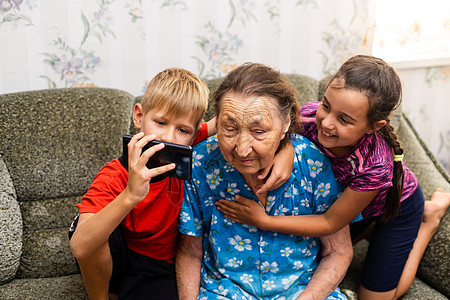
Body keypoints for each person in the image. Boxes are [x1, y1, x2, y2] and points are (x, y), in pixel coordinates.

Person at [216, 55, 450, 300]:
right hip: (347, 208)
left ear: (374, 126)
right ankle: (369, 229)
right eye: (326, 106)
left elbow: (329, 222)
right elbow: (282, 129)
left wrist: (263, 221)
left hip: (396, 208)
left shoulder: (375, 166)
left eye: (344, 120)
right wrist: (287, 148)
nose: (326, 123)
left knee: (373, 299)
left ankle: (428, 222)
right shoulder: (309, 118)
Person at [176, 62, 353, 299]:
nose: (242, 149)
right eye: (229, 128)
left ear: (286, 125)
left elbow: (338, 252)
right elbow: (190, 253)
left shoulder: (314, 164)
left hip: (301, 291)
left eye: (259, 132)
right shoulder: (199, 163)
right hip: (225, 292)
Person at [69, 68, 212, 300]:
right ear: (138, 117)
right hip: (116, 257)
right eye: (160, 123)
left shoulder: (189, 144)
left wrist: (286, 148)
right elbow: (80, 247)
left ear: (194, 134)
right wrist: (131, 194)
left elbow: (228, 122)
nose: (168, 138)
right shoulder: (113, 175)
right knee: (86, 225)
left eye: (182, 130)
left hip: (157, 267)